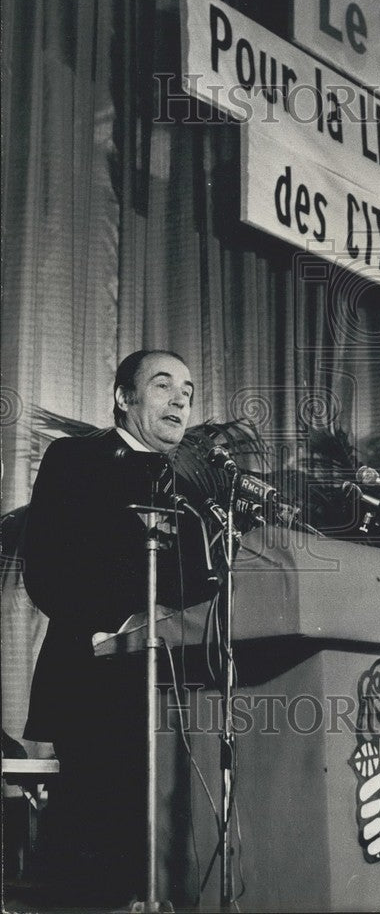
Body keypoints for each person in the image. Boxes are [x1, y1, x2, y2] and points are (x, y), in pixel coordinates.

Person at [21, 349, 216, 902]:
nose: (181, 398)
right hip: (94, 684)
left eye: (189, 390)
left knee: (165, 858)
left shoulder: (195, 488)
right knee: (96, 857)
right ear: (124, 398)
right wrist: (126, 620)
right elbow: (48, 569)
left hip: (179, 692)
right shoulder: (74, 460)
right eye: (163, 385)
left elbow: (207, 587)